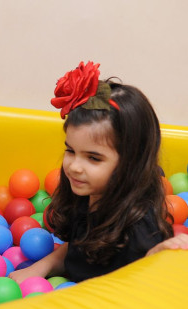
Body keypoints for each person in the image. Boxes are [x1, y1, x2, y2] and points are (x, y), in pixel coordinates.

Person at [10, 61, 188, 283]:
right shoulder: (86, 193)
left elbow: (140, 284)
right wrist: (41, 267)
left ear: (130, 163)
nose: (74, 166)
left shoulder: (138, 231)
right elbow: (79, 247)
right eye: (71, 150)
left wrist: (154, 255)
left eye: (93, 158)